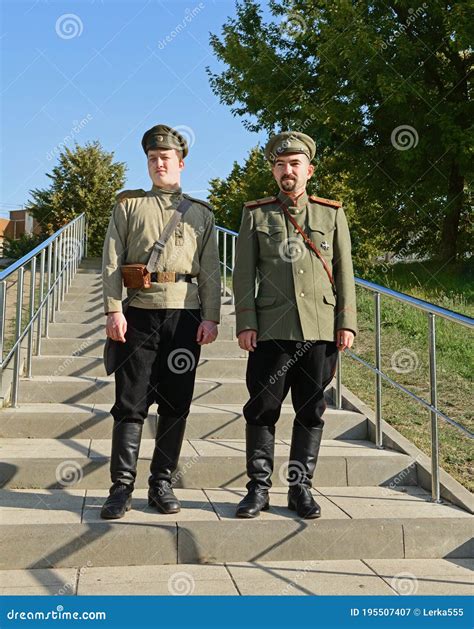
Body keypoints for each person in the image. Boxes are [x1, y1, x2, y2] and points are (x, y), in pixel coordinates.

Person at [233, 131, 357, 519]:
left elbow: (344, 271)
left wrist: (347, 322)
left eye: (294, 164)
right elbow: (242, 274)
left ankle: (300, 489)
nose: (287, 171)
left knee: (310, 412)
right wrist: (246, 322)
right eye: (280, 164)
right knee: (261, 410)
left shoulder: (331, 213)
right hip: (271, 330)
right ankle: (257, 489)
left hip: (320, 330)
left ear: (309, 170)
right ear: (273, 170)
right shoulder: (257, 213)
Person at [101, 124, 221, 519]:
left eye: (165, 158)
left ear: (180, 163)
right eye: (152, 158)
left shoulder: (201, 213)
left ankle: (161, 483)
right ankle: (121, 487)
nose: (158, 164)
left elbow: (209, 270)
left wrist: (211, 317)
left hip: (184, 316)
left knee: (176, 402)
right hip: (138, 313)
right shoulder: (128, 206)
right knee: (130, 402)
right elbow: (112, 261)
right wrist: (113, 309)